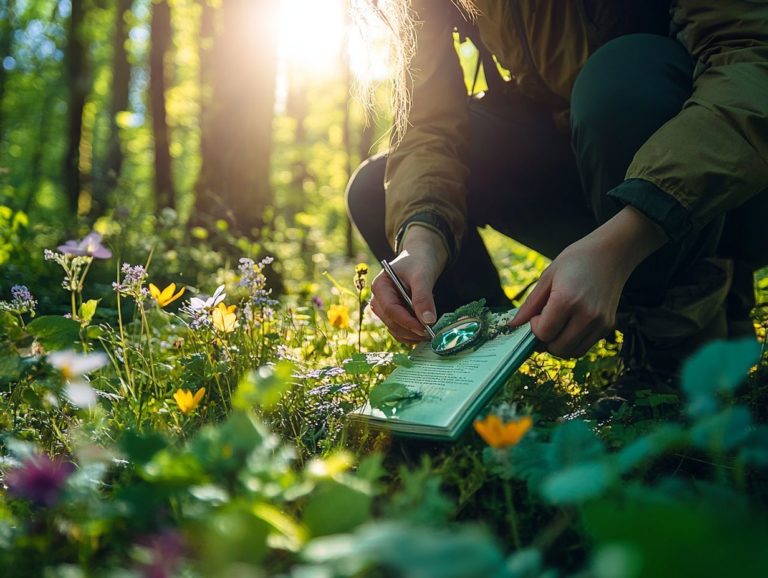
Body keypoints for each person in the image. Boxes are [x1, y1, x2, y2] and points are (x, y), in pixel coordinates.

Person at [347, 0, 768, 384]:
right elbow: (428, 124)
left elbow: (753, 62)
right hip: (585, 154)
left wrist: (620, 243)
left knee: (620, 80)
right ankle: (493, 362)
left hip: (727, 173)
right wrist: (422, 240)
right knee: (375, 190)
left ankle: (672, 354)